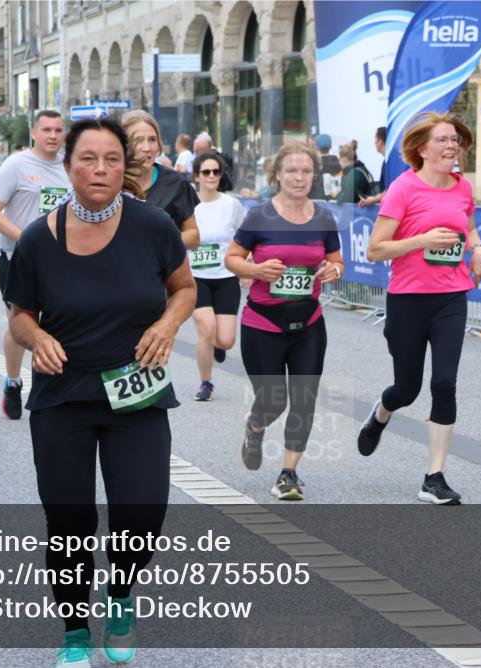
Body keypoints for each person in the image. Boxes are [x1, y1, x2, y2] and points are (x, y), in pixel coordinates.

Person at [3, 117, 195, 666]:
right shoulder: (41, 237)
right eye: (88, 158)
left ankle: (120, 593)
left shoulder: (154, 226)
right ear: (68, 168)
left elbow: (184, 287)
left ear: (124, 167)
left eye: (112, 159)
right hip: (64, 397)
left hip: (137, 395)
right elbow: (20, 314)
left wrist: (167, 325)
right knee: (69, 520)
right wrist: (36, 337)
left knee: (142, 511)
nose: (101, 169)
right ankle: (74, 632)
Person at [358, 112, 481, 505]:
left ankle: (434, 477)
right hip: (408, 299)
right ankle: (382, 412)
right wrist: (421, 240)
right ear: (421, 149)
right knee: (407, 388)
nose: (452, 147)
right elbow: (376, 248)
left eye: (455, 140)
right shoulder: (403, 189)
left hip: (450, 298)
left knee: (444, 383)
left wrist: (479, 249)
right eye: (443, 141)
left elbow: (468, 228)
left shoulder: (462, 187)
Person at [225, 141, 344, 501]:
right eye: (291, 170)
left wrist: (332, 270)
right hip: (263, 323)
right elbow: (232, 259)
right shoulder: (260, 216)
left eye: (306, 171)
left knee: (304, 399)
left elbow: (337, 262)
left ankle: (289, 473)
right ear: (277, 174)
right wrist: (256, 269)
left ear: (314, 176)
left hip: (308, 322)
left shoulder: (323, 217)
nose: (299, 177)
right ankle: (256, 426)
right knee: (273, 400)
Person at [0, 109, 69, 420]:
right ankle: (13, 381)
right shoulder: (17, 165)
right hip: (16, 256)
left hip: (60, 258)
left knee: (58, 322)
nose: (52, 135)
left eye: (58, 130)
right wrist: (26, 239)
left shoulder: (69, 167)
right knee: (21, 324)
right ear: (34, 133)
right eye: (46, 129)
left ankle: (51, 387)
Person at [189, 150, 247, 401]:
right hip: (195, 278)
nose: (212, 176)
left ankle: (217, 346)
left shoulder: (231, 205)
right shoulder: (188, 204)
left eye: (216, 172)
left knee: (226, 340)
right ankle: (206, 382)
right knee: (206, 329)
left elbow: (246, 236)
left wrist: (247, 267)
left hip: (225, 277)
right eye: (206, 172)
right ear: (196, 176)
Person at [122, 109, 201, 250]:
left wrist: (159, 242)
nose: (147, 148)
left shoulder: (175, 183)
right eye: (138, 140)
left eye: (152, 140)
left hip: (165, 270)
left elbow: (194, 237)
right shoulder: (112, 183)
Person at [336, 140, 375, 204]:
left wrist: (337, 194)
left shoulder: (354, 174)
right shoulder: (361, 169)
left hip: (358, 211)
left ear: (343, 158)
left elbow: (346, 199)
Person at [359, 126, 388, 208]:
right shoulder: (386, 162)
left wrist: (374, 199)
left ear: (380, 141)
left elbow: (391, 191)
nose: (374, 143)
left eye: (376, 139)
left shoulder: (389, 163)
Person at [310, 133, 341, 200]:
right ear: (330, 146)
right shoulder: (340, 163)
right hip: (335, 203)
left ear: (316, 146)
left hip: (317, 202)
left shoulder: (312, 165)